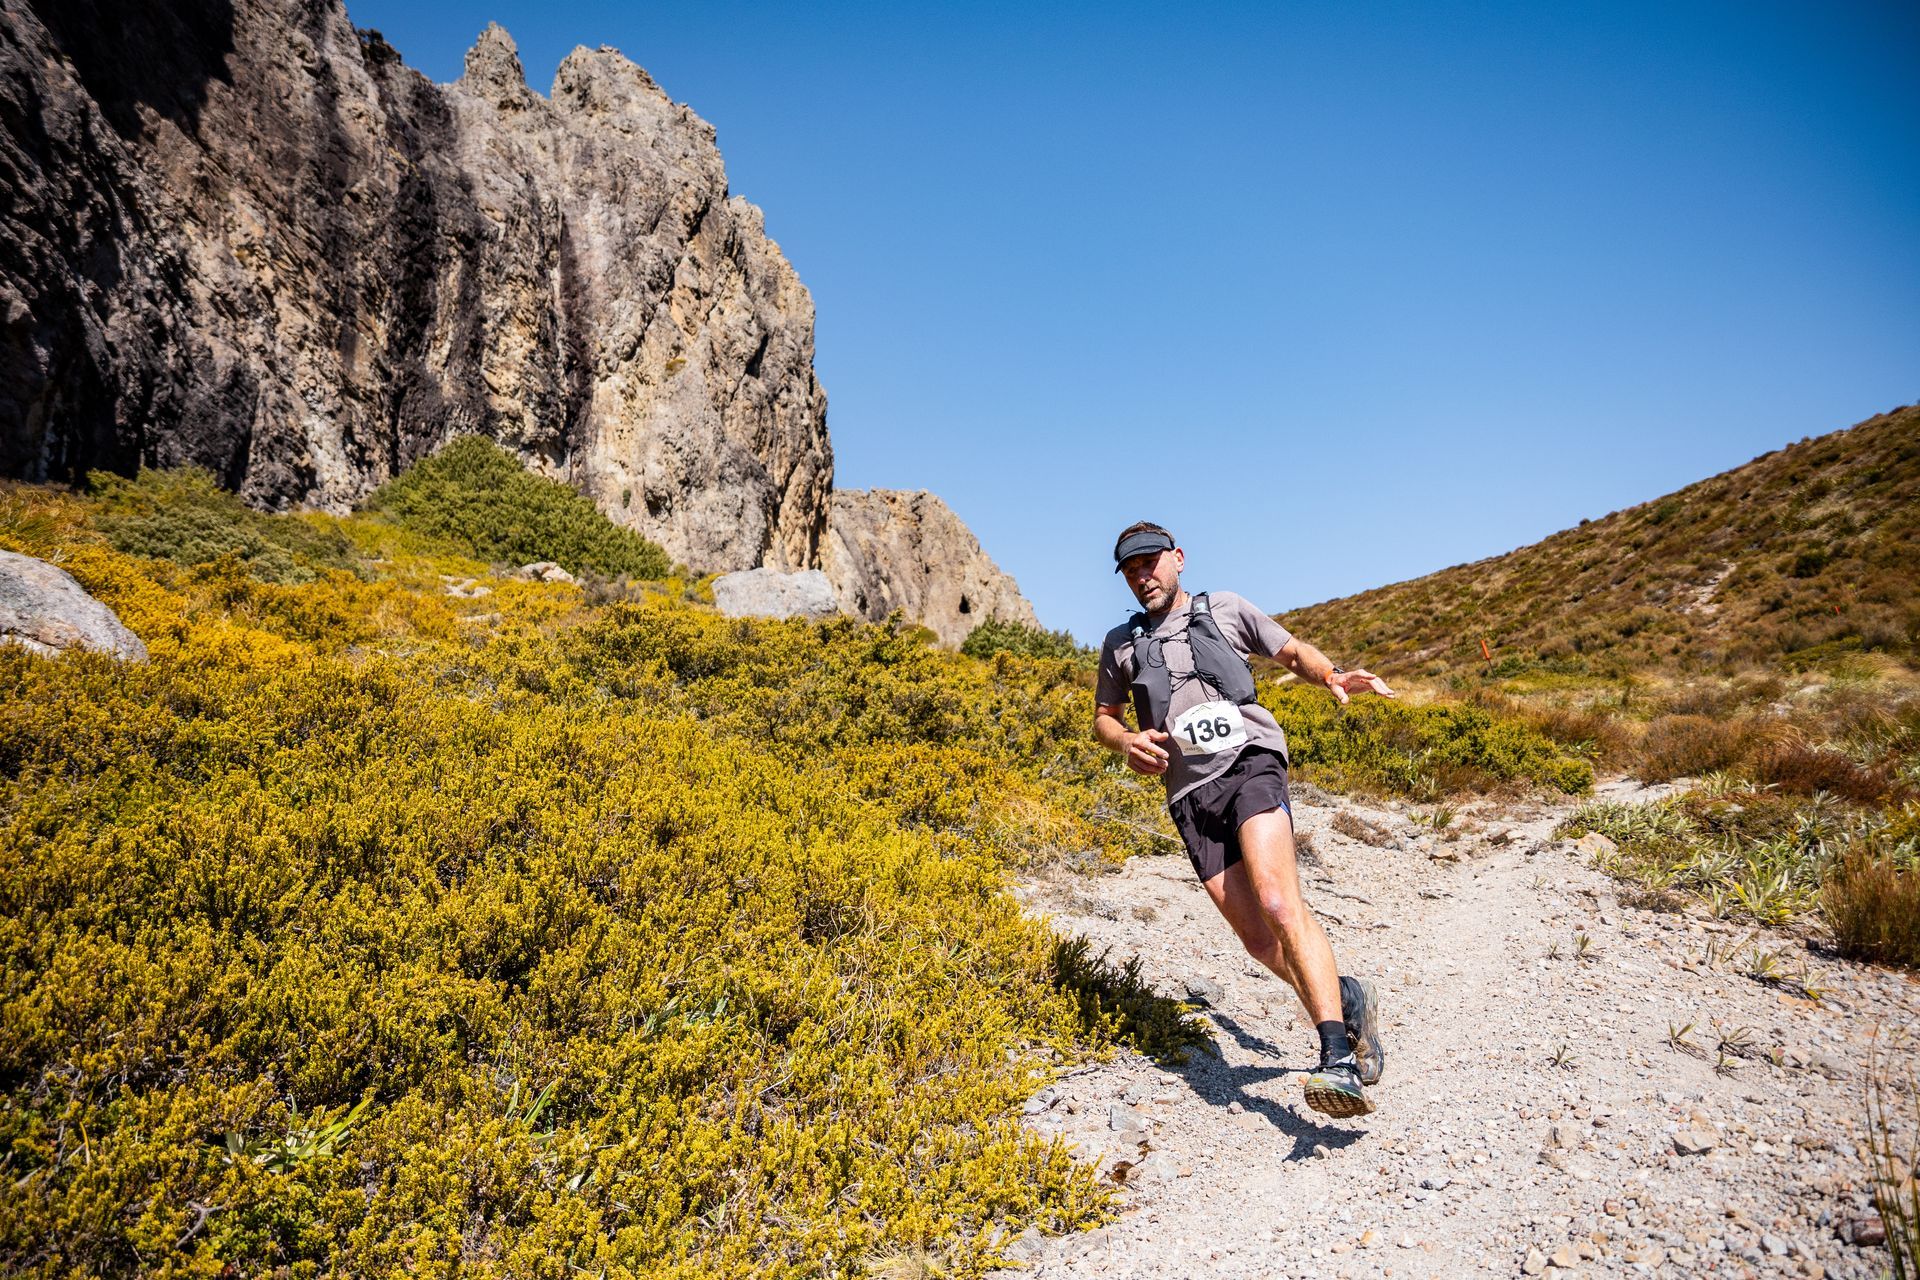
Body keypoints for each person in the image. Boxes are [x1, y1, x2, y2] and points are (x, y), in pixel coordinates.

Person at [1093, 521, 1394, 1118]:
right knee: (1259, 941)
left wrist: (1332, 675)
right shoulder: (1119, 644)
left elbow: (1290, 651)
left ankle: (1336, 1058)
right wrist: (1124, 741)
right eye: (1130, 569)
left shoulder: (1224, 608)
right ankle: (1344, 998)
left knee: (1281, 904)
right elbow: (1104, 717)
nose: (1141, 575)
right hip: (1189, 796)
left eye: (1150, 561)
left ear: (1177, 559)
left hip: (1249, 763)